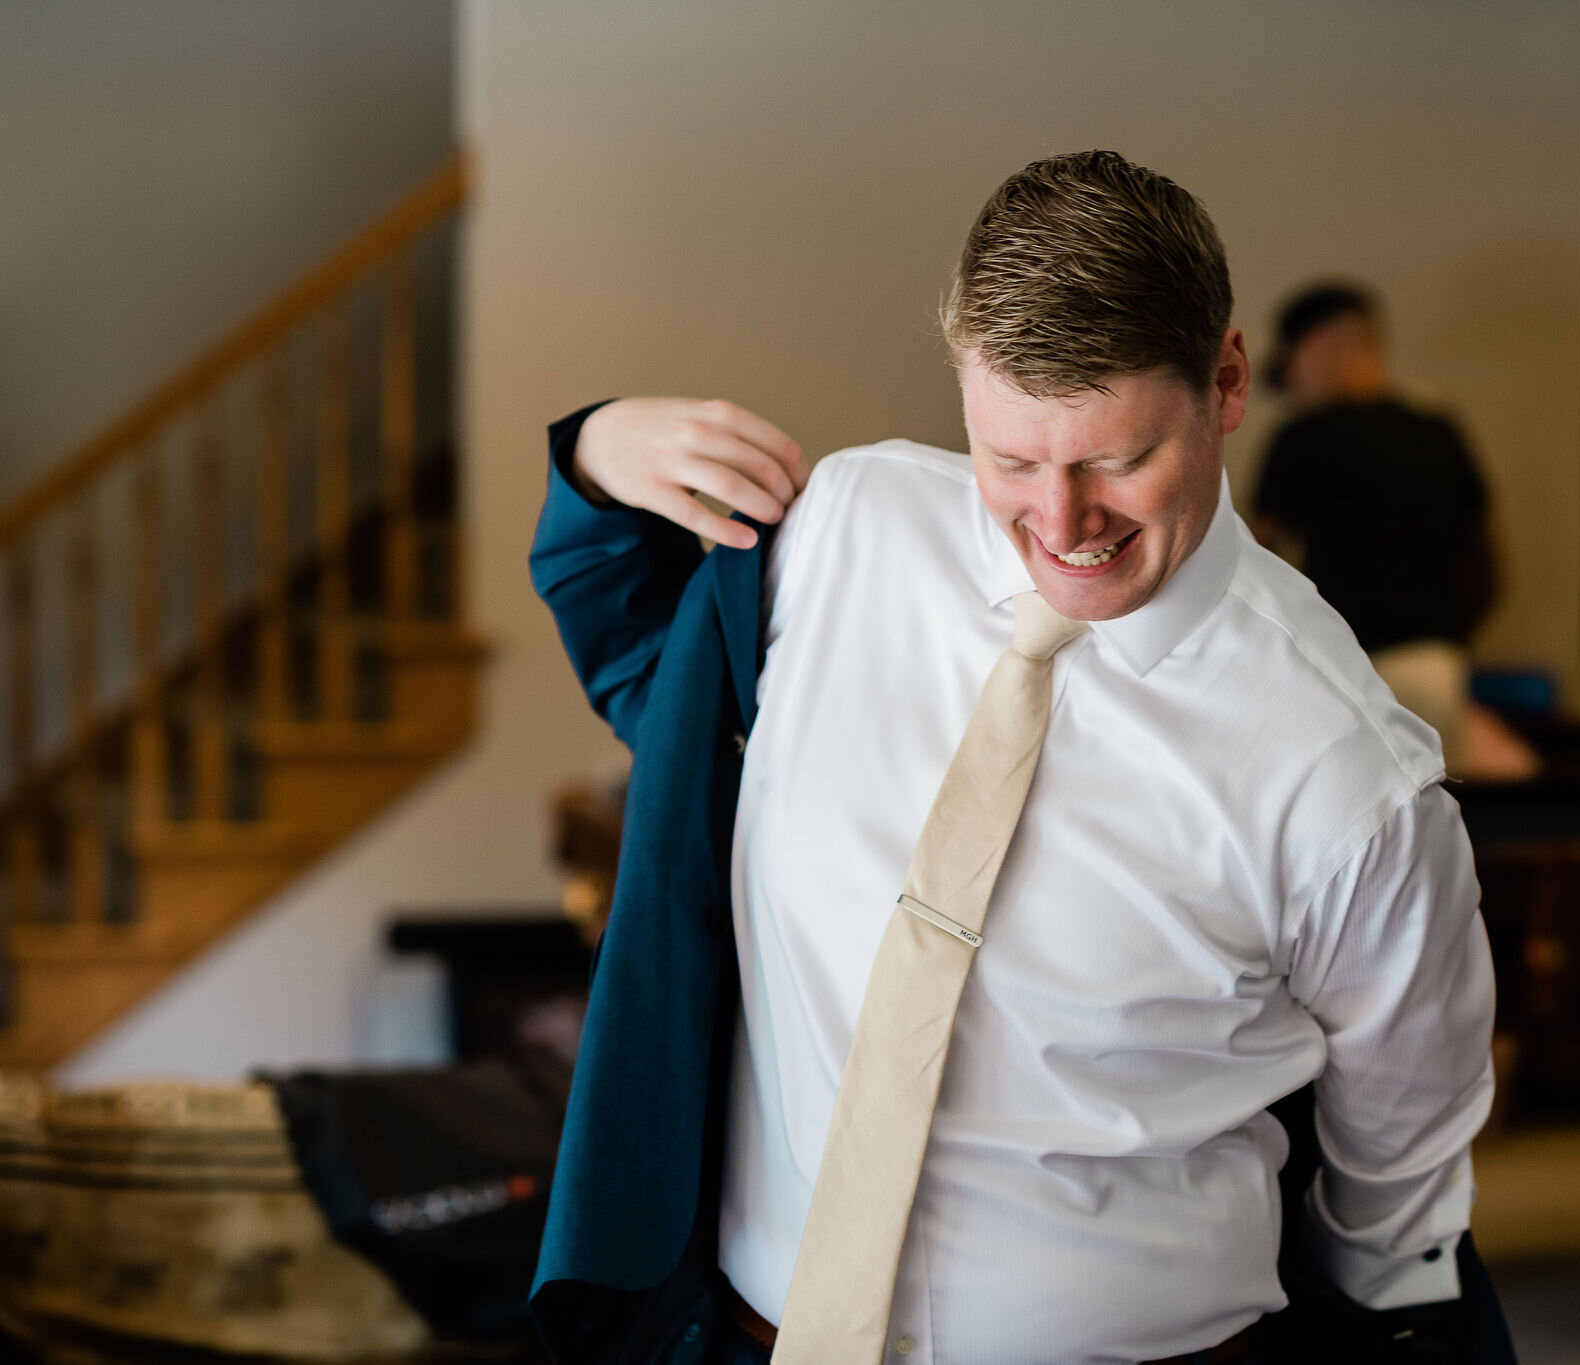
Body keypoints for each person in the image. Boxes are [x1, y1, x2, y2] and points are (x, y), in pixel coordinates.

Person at [532, 152, 1512, 1365]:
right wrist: (594, 458)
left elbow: (1396, 1177)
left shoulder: (1345, 778)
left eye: (1114, 460)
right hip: (749, 1337)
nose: (1061, 526)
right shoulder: (846, 533)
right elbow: (652, 695)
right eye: (1012, 461)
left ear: (1225, 381)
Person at [1253, 284, 1538, 782]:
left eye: (1290, 367)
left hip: (1338, 672)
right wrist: (1449, 641)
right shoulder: (1439, 433)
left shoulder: (1300, 439)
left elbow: (1255, 566)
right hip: (1438, 668)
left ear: (1320, 347)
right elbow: (1490, 571)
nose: (1292, 389)